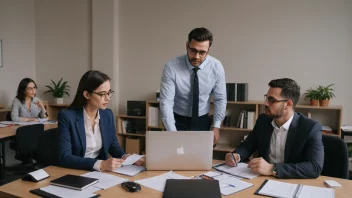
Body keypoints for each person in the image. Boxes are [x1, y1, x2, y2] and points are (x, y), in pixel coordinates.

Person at [225, 78, 324, 179]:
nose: (266, 104)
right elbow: (248, 144)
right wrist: (237, 155)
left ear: (288, 104)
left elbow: (314, 167)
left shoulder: (310, 127)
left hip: (291, 182)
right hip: (261, 179)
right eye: (267, 98)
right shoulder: (263, 120)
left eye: (272, 100)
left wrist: (272, 169)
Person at [58, 70, 144, 171]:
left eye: (109, 93)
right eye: (102, 94)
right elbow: (64, 157)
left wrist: (126, 157)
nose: (107, 98)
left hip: (99, 174)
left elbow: (113, 146)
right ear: (87, 94)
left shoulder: (107, 114)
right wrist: (101, 164)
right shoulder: (67, 116)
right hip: (75, 171)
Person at [160, 27, 226, 144]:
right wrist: (172, 132)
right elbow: (166, 102)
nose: (196, 56)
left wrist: (216, 126)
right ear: (187, 46)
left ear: (208, 50)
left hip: (202, 120)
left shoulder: (216, 67)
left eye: (202, 52)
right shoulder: (171, 67)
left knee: (200, 159)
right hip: (177, 120)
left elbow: (220, 99)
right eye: (193, 51)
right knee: (176, 157)